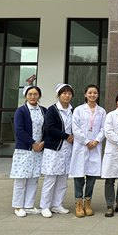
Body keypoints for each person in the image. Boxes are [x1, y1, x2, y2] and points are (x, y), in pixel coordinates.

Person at [69, 84, 106, 217]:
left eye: (95, 93)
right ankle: (78, 203)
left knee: (92, 176)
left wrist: (96, 141)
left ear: (98, 95)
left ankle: (88, 202)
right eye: (90, 93)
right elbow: (75, 128)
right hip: (81, 146)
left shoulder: (102, 111)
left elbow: (104, 128)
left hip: (95, 146)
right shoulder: (78, 110)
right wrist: (86, 141)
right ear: (85, 94)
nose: (92, 95)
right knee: (79, 175)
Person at [10, 85, 46, 217]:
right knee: (20, 179)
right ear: (26, 96)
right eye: (30, 94)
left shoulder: (44, 111)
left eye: (35, 94)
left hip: (38, 150)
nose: (32, 97)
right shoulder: (21, 111)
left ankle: (29, 205)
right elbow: (19, 130)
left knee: (34, 179)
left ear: (39, 96)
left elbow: (47, 129)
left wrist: (42, 143)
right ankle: (18, 206)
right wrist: (33, 143)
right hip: (24, 150)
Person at [40, 83, 74, 218]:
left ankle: (57, 205)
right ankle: (45, 206)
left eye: (69, 93)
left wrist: (74, 136)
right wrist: (66, 136)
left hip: (68, 150)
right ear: (59, 95)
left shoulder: (73, 110)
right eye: (64, 93)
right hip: (54, 149)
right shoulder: (52, 110)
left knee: (63, 180)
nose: (67, 95)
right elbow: (50, 128)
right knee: (50, 179)